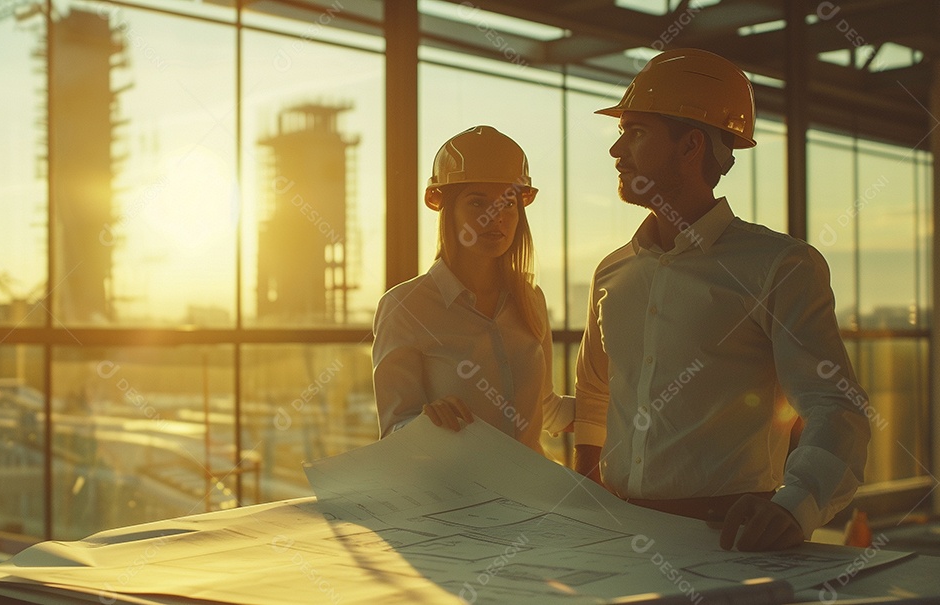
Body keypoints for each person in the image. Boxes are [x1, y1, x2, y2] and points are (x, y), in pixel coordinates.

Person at [572, 48, 870, 551]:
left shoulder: (780, 267)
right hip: (619, 536)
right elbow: (596, 394)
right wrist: (585, 498)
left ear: (690, 146)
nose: (616, 150)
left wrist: (796, 506)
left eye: (636, 132)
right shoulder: (613, 273)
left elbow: (835, 405)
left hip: (727, 541)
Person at [372, 125, 573, 455]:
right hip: (456, 499)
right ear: (447, 211)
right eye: (478, 203)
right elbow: (395, 430)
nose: (496, 217)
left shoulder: (531, 299)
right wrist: (426, 422)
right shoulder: (404, 307)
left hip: (530, 495)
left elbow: (545, 407)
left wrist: (622, 406)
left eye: (508, 203)